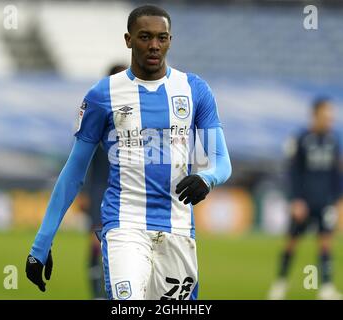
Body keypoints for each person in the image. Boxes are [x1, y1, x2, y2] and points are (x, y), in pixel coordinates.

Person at [25, 4, 232, 300]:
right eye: (145, 37)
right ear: (128, 39)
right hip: (124, 226)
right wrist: (40, 245)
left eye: (162, 38)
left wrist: (207, 178)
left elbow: (222, 162)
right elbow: (73, 173)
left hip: (178, 228)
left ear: (170, 40)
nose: (154, 46)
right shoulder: (102, 95)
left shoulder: (194, 90)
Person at [268, 98, 343, 300]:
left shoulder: (334, 140)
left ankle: (326, 288)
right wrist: (295, 200)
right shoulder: (302, 139)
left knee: (326, 243)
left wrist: (336, 201)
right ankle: (280, 284)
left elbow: (336, 174)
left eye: (331, 116)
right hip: (303, 202)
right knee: (291, 243)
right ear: (315, 115)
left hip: (324, 202)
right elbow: (294, 172)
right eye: (326, 116)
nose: (330, 120)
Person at [85, 64, 127, 299]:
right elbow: (86, 161)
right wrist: (87, 195)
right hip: (101, 192)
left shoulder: (137, 113)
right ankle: (98, 293)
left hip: (128, 196)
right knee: (97, 246)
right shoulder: (98, 110)